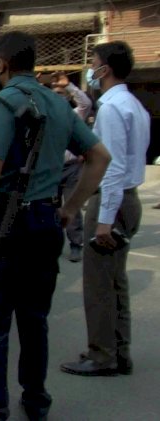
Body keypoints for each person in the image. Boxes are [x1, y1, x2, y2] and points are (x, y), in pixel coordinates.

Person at [0, 31, 110, 421]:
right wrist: (71, 209)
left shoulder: (4, 102)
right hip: (44, 221)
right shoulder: (58, 105)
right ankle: (36, 402)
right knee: (35, 321)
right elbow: (99, 156)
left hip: (6, 225)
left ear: (2, 64)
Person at [61, 41, 150, 378]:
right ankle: (118, 351)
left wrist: (102, 221)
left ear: (105, 69)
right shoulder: (133, 105)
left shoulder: (112, 108)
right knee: (115, 282)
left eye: (93, 63)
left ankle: (102, 355)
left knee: (98, 286)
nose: (90, 69)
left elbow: (111, 167)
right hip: (127, 198)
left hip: (112, 201)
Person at [51, 72, 94, 263]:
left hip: (72, 168)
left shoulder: (74, 115)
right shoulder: (45, 117)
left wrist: (68, 86)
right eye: (55, 94)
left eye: (62, 94)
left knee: (72, 208)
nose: (58, 97)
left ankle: (76, 244)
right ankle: (52, 244)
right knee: (49, 209)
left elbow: (85, 104)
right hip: (51, 170)